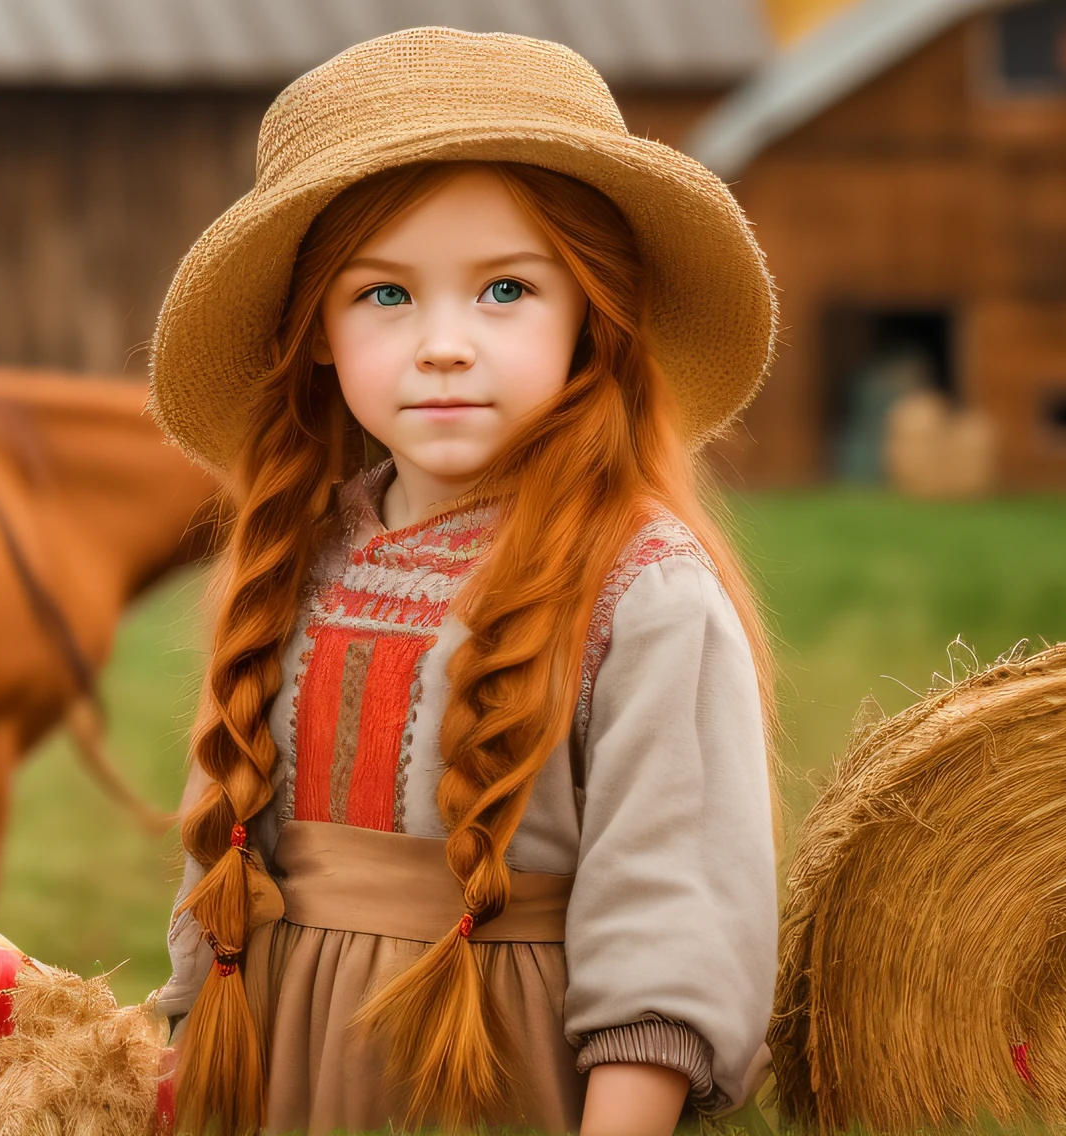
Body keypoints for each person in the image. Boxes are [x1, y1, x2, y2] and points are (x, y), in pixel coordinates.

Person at [146, 26, 781, 1136]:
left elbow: (672, 913)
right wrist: (183, 1057)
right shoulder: (290, 560)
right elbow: (225, 864)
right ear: (316, 337)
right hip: (275, 1068)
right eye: (383, 296)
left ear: (591, 314)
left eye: (503, 289)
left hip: (500, 1072)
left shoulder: (641, 590)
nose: (443, 343)